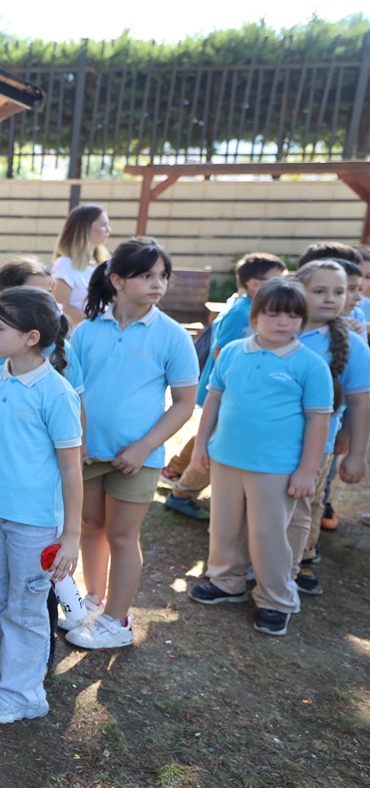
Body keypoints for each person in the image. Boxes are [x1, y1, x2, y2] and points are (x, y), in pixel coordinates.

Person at [0, 287, 83, 721]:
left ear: (30, 336)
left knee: (26, 608)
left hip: (33, 524)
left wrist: (72, 535)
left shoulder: (58, 393)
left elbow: (70, 469)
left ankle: (23, 693)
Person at [67, 237, 199, 649]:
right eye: (147, 275)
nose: (158, 283)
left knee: (123, 536)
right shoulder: (86, 332)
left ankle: (117, 621)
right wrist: (80, 442)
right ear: (118, 280)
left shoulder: (173, 336)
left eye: (163, 276)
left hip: (137, 459)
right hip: (88, 454)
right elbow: (73, 392)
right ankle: (92, 599)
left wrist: (143, 448)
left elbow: (184, 404)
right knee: (91, 526)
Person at [186, 278, 332, 636]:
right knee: (224, 526)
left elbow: (318, 421)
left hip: (276, 468)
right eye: (273, 314)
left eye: (292, 315)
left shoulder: (310, 365)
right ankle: (226, 581)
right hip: (226, 459)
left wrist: (306, 472)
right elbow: (214, 400)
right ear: (255, 316)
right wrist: (201, 445)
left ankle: (276, 599)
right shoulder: (233, 351)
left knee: (268, 535)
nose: (283, 322)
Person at [163, 253, 286, 521]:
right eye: (276, 280)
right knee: (214, 439)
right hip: (226, 390)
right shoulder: (240, 312)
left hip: (237, 393)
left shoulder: (254, 308)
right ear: (254, 283)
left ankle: (176, 471)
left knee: (212, 435)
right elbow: (221, 352)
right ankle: (181, 493)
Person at [288, 257, 370, 596]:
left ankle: (299, 560)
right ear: (297, 290)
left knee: (305, 506)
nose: (331, 298)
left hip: (316, 447)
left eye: (340, 291)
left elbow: (361, 402)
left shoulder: (354, 346)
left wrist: (355, 453)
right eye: (319, 291)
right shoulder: (279, 331)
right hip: (265, 443)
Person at [51, 204, 111, 329]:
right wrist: (94, 321)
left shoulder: (103, 263)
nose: (109, 230)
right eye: (103, 225)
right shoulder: (65, 264)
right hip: (76, 337)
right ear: (85, 228)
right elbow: (60, 307)